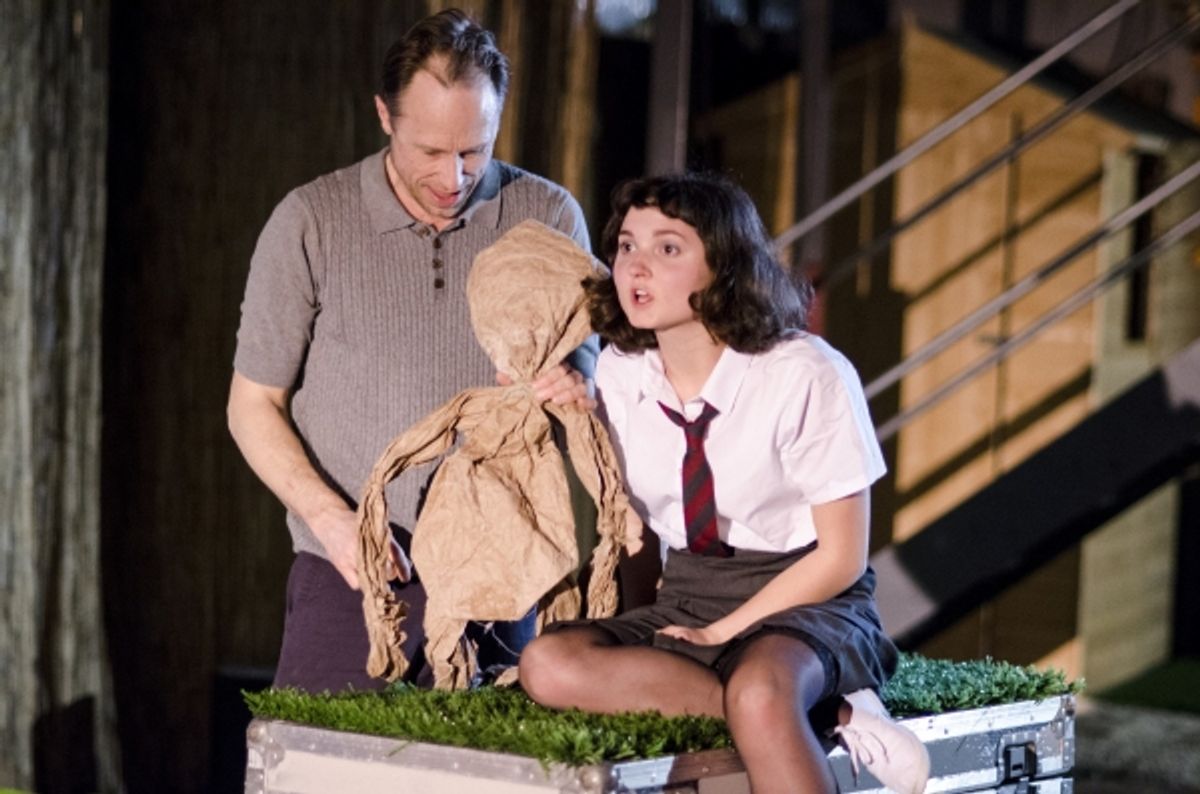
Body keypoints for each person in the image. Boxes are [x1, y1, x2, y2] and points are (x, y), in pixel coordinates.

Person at [519, 173, 930, 794]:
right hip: (690, 590)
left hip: (806, 597)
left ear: (724, 266)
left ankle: (810, 704)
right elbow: (636, 529)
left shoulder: (807, 374)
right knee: (546, 662)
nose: (637, 267)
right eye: (627, 245)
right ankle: (831, 716)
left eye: (668, 249)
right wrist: (641, 641)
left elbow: (842, 557)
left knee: (761, 693)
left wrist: (720, 634)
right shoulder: (621, 371)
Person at [227, 8, 595, 693]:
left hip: (496, 570)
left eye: (474, 150)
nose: (454, 177)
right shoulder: (311, 221)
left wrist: (573, 382)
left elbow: (588, 375)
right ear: (384, 117)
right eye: (430, 151)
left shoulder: (547, 217)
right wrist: (335, 523)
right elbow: (252, 406)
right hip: (345, 571)